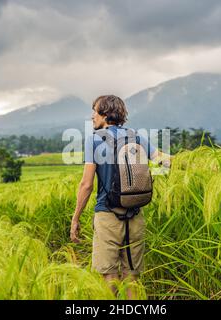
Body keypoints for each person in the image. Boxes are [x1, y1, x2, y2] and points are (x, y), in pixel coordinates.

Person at [70, 95, 171, 299]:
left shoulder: (95, 140)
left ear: (105, 114)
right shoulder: (138, 137)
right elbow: (164, 161)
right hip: (135, 216)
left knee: (109, 276)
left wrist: (75, 218)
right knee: (131, 277)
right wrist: (201, 162)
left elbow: (86, 185)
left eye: (95, 111)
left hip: (108, 216)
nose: (92, 116)